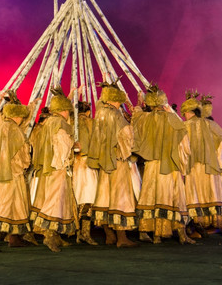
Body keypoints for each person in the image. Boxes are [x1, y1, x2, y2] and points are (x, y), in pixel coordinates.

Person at [132, 85, 192, 244]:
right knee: (173, 198)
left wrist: (138, 102)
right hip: (169, 164)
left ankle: (156, 234)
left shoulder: (144, 118)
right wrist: (184, 164)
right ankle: (180, 234)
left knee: (152, 197)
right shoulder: (173, 119)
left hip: (152, 164)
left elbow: (135, 117)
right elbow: (184, 144)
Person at [87, 82, 139, 248]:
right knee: (120, 197)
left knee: (105, 196)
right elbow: (126, 135)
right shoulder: (116, 115)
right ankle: (122, 238)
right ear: (116, 100)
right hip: (117, 161)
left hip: (103, 161)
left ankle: (109, 235)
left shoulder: (100, 113)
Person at [0, 91, 38, 252]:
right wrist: (26, 161)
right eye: (21, 116)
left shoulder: (3, 126)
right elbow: (21, 150)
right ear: (16, 115)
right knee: (5, 205)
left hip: (5, 172)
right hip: (12, 173)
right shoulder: (13, 129)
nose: (23, 119)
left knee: (16, 205)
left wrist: (33, 104)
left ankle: (15, 238)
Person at [30, 87, 78, 252]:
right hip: (57, 167)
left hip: (47, 166)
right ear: (64, 111)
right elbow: (62, 145)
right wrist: (73, 147)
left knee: (56, 199)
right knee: (55, 200)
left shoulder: (49, 122)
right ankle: (49, 235)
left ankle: (56, 235)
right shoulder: (60, 123)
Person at [182, 91, 222, 237]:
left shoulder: (183, 127)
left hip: (193, 168)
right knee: (215, 193)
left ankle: (198, 229)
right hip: (210, 166)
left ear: (189, 111)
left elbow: (180, 147)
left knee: (196, 196)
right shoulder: (210, 124)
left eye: (185, 112)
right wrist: (220, 160)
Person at [72, 101, 98, 246]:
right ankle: (85, 233)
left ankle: (77, 233)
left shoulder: (72, 122)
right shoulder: (91, 123)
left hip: (76, 164)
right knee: (88, 198)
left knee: (77, 198)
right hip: (88, 164)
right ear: (88, 111)